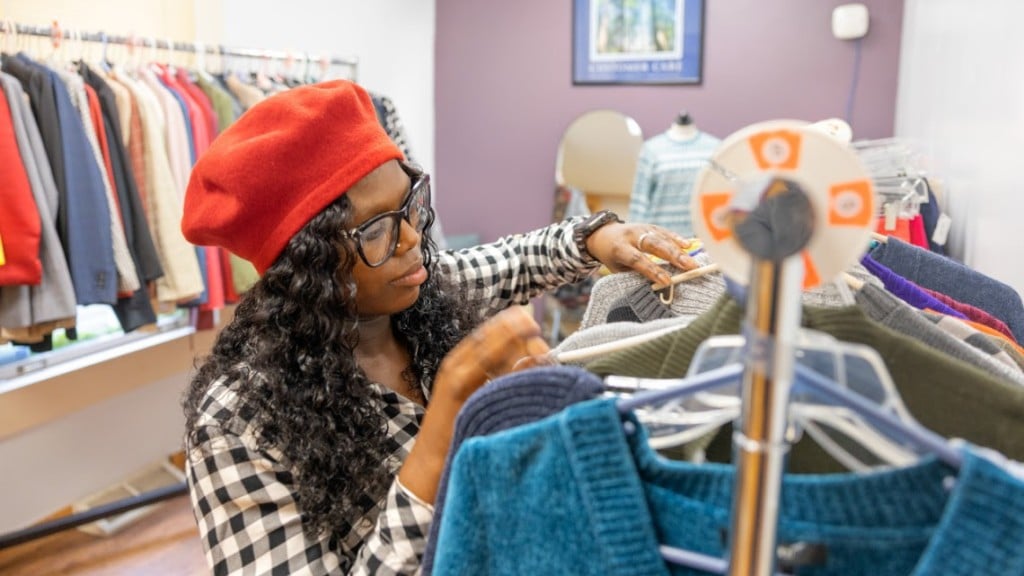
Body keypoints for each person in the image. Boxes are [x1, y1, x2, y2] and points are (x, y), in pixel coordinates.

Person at [180, 79, 696, 575]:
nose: (411, 239)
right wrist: (443, 426)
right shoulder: (237, 420)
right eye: (377, 227)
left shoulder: (419, 290)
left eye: (411, 204)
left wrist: (599, 238)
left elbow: (519, 259)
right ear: (304, 261)